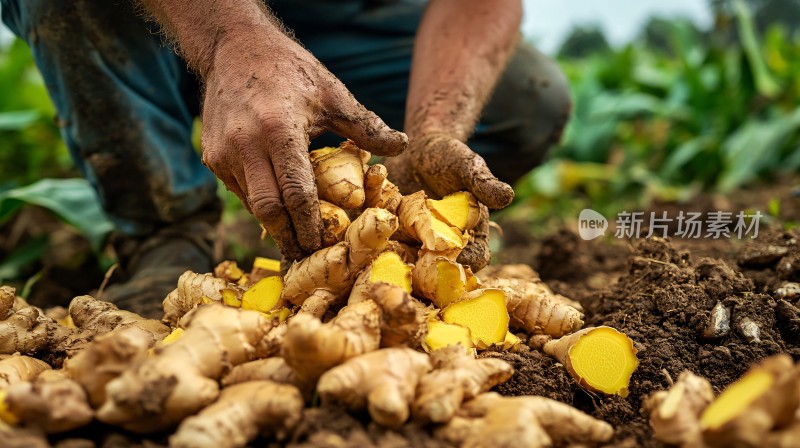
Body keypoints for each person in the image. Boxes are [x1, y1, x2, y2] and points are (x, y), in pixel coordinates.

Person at [0, 0, 570, 317]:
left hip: (338, 16)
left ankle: (346, 198)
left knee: (529, 98)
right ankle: (164, 231)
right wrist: (231, 39)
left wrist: (432, 131)